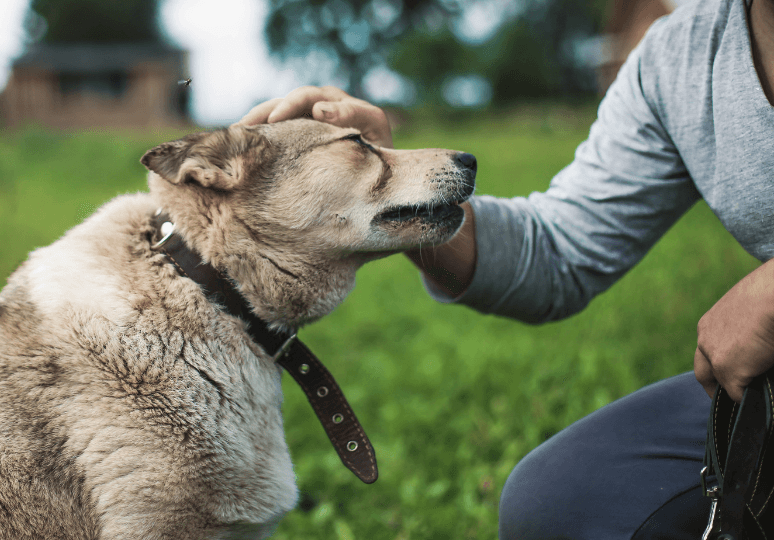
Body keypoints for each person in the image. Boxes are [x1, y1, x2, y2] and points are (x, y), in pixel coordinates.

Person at [240, 0, 774, 536]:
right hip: (762, 388)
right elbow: (557, 250)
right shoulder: (683, 55)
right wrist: (401, 188)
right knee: (556, 503)